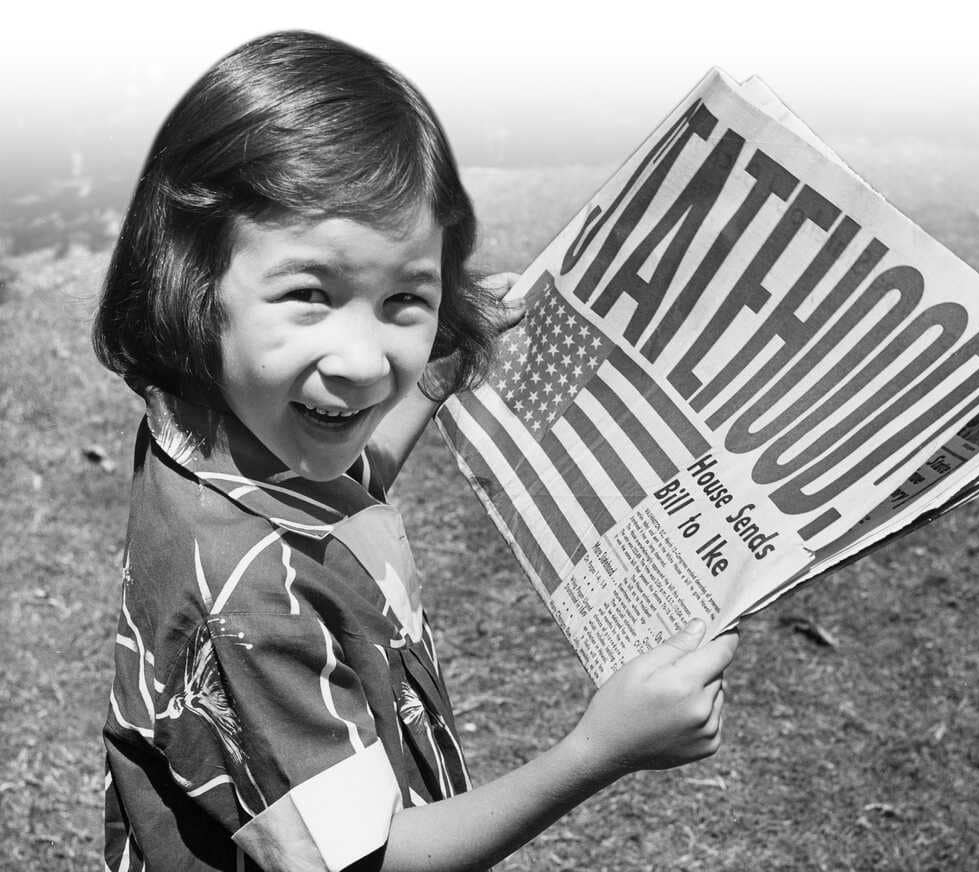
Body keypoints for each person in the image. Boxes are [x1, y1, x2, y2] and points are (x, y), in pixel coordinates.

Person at [94, 30, 741, 872]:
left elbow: (328, 494)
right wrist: (598, 751)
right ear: (191, 280)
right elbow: (367, 860)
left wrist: (436, 385)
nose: (365, 363)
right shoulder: (250, 600)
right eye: (310, 295)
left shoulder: (210, 428)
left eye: (406, 296)